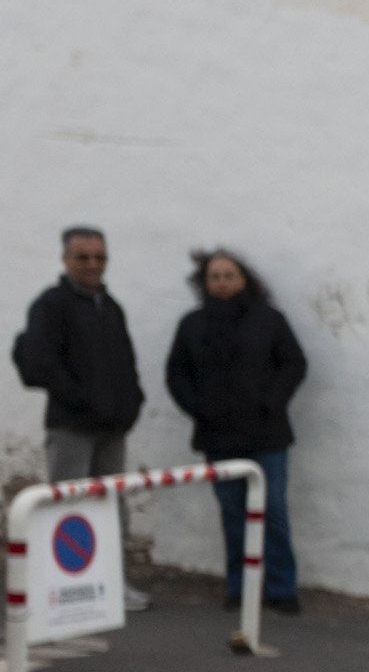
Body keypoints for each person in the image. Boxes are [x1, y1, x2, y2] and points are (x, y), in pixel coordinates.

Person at [13, 225, 148, 609]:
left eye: (100, 257)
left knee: (111, 507)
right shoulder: (51, 305)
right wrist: (84, 399)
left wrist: (132, 401)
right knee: (65, 507)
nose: (93, 264)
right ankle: (55, 591)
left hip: (112, 427)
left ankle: (112, 584)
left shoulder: (111, 305)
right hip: (71, 426)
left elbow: (126, 362)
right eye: (83, 257)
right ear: (65, 259)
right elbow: (39, 364)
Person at [165, 249, 307, 614]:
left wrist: (271, 401)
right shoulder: (192, 324)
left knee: (272, 509)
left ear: (244, 279)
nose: (222, 282)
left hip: (267, 434)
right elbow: (177, 374)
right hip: (218, 436)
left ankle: (282, 588)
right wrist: (199, 408)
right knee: (232, 512)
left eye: (229, 275)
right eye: (215, 276)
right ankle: (240, 587)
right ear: (205, 282)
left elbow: (294, 363)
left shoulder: (270, 320)